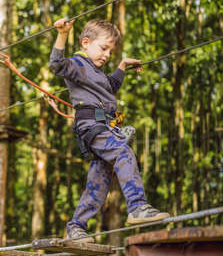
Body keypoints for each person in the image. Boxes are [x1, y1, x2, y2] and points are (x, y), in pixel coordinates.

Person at [49, 18, 169, 242]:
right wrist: (63, 34)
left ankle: (76, 227)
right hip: (93, 128)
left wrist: (122, 66)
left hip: (105, 128)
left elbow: (110, 87)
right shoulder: (78, 65)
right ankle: (137, 206)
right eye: (103, 48)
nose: (106, 55)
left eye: (110, 52)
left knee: (99, 183)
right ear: (86, 42)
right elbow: (56, 65)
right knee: (123, 153)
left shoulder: (98, 72)